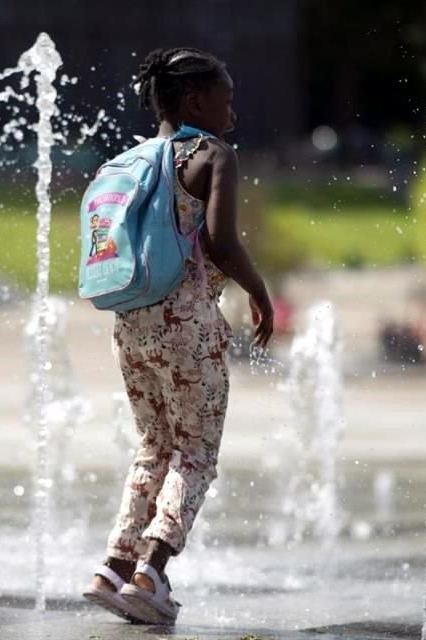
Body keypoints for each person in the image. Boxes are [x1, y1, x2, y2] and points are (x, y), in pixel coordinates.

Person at [82, 47, 273, 625]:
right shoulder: (211, 153)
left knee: (153, 447)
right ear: (195, 100)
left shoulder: (130, 158)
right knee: (196, 454)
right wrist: (259, 292)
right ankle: (152, 572)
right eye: (226, 99)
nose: (233, 112)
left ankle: (113, 567)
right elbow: (219, 242)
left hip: (130, 322)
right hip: (187, 324)